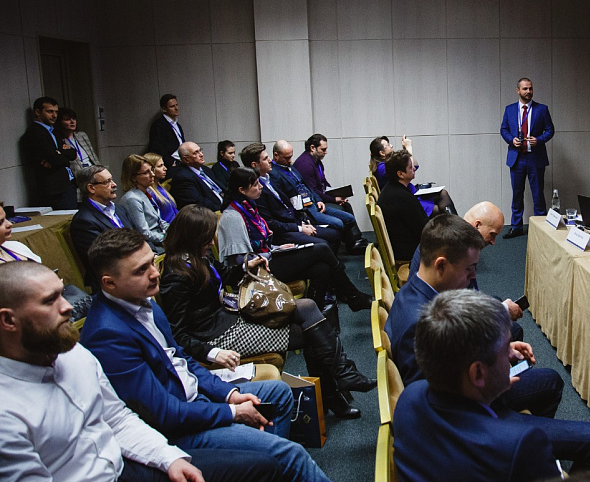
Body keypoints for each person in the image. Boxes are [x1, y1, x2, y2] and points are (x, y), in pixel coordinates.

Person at [0, 261, 296, 482]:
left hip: (123, 464)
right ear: (9, 320)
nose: (68, 307)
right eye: (50, 301)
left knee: (265, 465)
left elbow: (117, 419)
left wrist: (168, 458)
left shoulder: (75, 355)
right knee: (279, 457)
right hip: (114, 468)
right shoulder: (6, 413)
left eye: (61, 294)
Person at [79, 229, 330, 481]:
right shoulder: (107, 336)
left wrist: (229, 394)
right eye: (140, 270)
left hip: (196, 398)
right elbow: (164, 414)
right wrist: (232, 412)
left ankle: (269, 466)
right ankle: (273, 460)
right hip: (180, 427)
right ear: (109, 283)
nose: (154, 273)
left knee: (279, 393)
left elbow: (182, 360)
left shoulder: (142, 302)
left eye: (151, 263)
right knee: (291, 454)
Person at [386, 214, 590, 471]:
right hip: (471, 417)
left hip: (469, 393)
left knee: (551, 381)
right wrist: (493, 383)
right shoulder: (418, 324)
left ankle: (544, 453)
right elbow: (443, 408)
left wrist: (497, 353)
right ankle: (537, 458)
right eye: (469, 269)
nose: (473, 277)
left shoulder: (412, 295)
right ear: (441, 265)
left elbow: (439, 381)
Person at [160, 205, 374, 418]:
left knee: (308, 307)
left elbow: (225, 275)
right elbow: (176, 334)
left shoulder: (197, 256)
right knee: (311, 331)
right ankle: (338, 385)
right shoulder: (176, 276)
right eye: (207, 238)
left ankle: (341, 379)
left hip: (230, 318)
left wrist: (248, 266)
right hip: (217, 337)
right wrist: (211, 353)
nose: (212, 242)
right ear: (192, 237)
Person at [393, 289, 561, 482]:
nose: (510, 355)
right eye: (505, 350)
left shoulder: (408, 397)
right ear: (478, 373)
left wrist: (491, 385)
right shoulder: (520, 445)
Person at [217, 167, 371, 312]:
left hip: (269, 257)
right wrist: (271, 253)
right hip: (258, 270)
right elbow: (240, 261)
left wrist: (277, 248)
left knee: (322, 269)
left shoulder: (248, 207)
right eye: (256, 184)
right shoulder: (232, 218)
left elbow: (262, 243)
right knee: (323, 249)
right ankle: (353, 296)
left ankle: (315, 312)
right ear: (242, 190)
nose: (261, 186)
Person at [407, 201, 526, 341]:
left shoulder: (447, 235)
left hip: (442, 304)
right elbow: (454, 312)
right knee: (514, 329)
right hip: (447, 324)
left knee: (496, 301)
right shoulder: (454, 248)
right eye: (492, 234)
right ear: (477, 225)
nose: (493, 242)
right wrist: (502, 311)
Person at [240, 143, 341, 252]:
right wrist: (299, 228)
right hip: (282, 232)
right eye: (265, 158)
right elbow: (271, 223)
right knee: (324, 244)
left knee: (334, 234)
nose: (270, 160)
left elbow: (288, 203)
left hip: (294, 222)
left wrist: (302, 221)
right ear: (254, 165)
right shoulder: (256, 190)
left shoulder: (270, 179)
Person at [271, 140, 365, 253]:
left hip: (314, 202)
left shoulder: (291, 167)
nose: (290, 160)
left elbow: (307, 187)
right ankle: (340, 249)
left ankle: (350, 243)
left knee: (349, 218)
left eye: (291, 156)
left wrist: (319, 200)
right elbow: (285, 200)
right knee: (338, 224)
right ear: (276, 155)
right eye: (287, 157)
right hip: (306, 210)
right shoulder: (275, 173)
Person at [293, 134, 369, 253]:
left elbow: (323, 183)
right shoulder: (305, 165)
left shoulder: (316, 162)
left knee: (346, 206)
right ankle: (351, 241)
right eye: (323, 149)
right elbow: (313, 191)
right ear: (312, 148)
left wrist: (336, 194)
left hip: (319, 198)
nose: (326, 152)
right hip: (313, 204)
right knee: (343, 216)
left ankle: (355, 240)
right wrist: (334, 199)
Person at [500, 78, 555, 238]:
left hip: (535, 158)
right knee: (517, 194)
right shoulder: (509, 109)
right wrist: (511, 140)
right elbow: (503, 129)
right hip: (516, 158)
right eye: (525, 89)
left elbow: (550, 130)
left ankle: (540, 228)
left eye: (530, 88)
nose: (528, 91)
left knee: (538, 194)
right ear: (518, 90)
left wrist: (539, 139)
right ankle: (516, 226)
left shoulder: (542, 109)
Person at [70, 165, 133, 290]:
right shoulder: (84, 221)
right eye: (107, 182)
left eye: (112, 180)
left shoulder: (119, 209)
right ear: (91, 188)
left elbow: (137, 235)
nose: (114, 185)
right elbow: (103, 258)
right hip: (112, 282)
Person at [368, 134, 456, 215]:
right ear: (382, 153)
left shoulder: (386, 163)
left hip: (409, 194)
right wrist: (408, 147)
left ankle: (456, 225)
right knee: (438, 209)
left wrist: (406, 150)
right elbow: (412, 167)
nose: (391, 145)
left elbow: (415, 166)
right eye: (387, 145)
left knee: (443, 194)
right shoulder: (382, 168)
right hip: (405, 200)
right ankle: (455, 225)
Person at [20, 96, 78, 209]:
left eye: (56, 112)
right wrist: (61, 156)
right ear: (38, 112)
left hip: (67, 183)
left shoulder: (54, 131)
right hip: (54, 189)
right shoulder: (35, 132)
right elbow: (55, 159)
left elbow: (72, 153)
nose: (54, 115)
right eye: (50, 111)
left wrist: (59, 154)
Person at [376, 149, 429, 261]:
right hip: (409, 251)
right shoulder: (402, 197)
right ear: (400, 174)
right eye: (410, 167)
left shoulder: (391, 188)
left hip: (400, 245)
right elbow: (423, 230)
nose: (414, 168)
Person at [118, 154, 170, 253]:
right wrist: (167, 237)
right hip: (153, 247)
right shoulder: (132, 199)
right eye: (146, 172)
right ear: (133, 178)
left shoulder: (146, 192)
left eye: (152, 170)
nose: (152, 174)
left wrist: (175, 230)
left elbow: (159, 221)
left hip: (161, 239)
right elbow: (144, 233)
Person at [55, 107, 100, 202]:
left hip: (92, 172)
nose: (72, 122)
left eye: (73, 119)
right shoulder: (59, 140)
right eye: (67, 119)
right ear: (60, 122)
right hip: (78, 177)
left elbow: (92, 155)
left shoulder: (81, 135)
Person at [170, 142, 224, 211]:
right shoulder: (182, 178)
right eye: (195, 153)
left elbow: (220, 187)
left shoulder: (205, 169)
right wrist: (223, 209)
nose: (201, 154)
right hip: (210, 212)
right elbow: (199, 204)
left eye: (200, 150)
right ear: (186, 159)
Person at [148, 94, 186, 169]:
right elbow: (156, 148)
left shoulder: (177, 125)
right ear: (164, 109)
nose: (176, 108)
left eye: (176, 105)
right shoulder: (158, 125)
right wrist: (171, 162)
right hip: (171, 164)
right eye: (172, 106)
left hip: (182, 161)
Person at [144, 152, 179, 223]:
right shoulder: (149, 193)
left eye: (163, 165)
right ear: (151, 170)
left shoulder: (160, 188)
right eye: (160, 166)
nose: (165, 168)